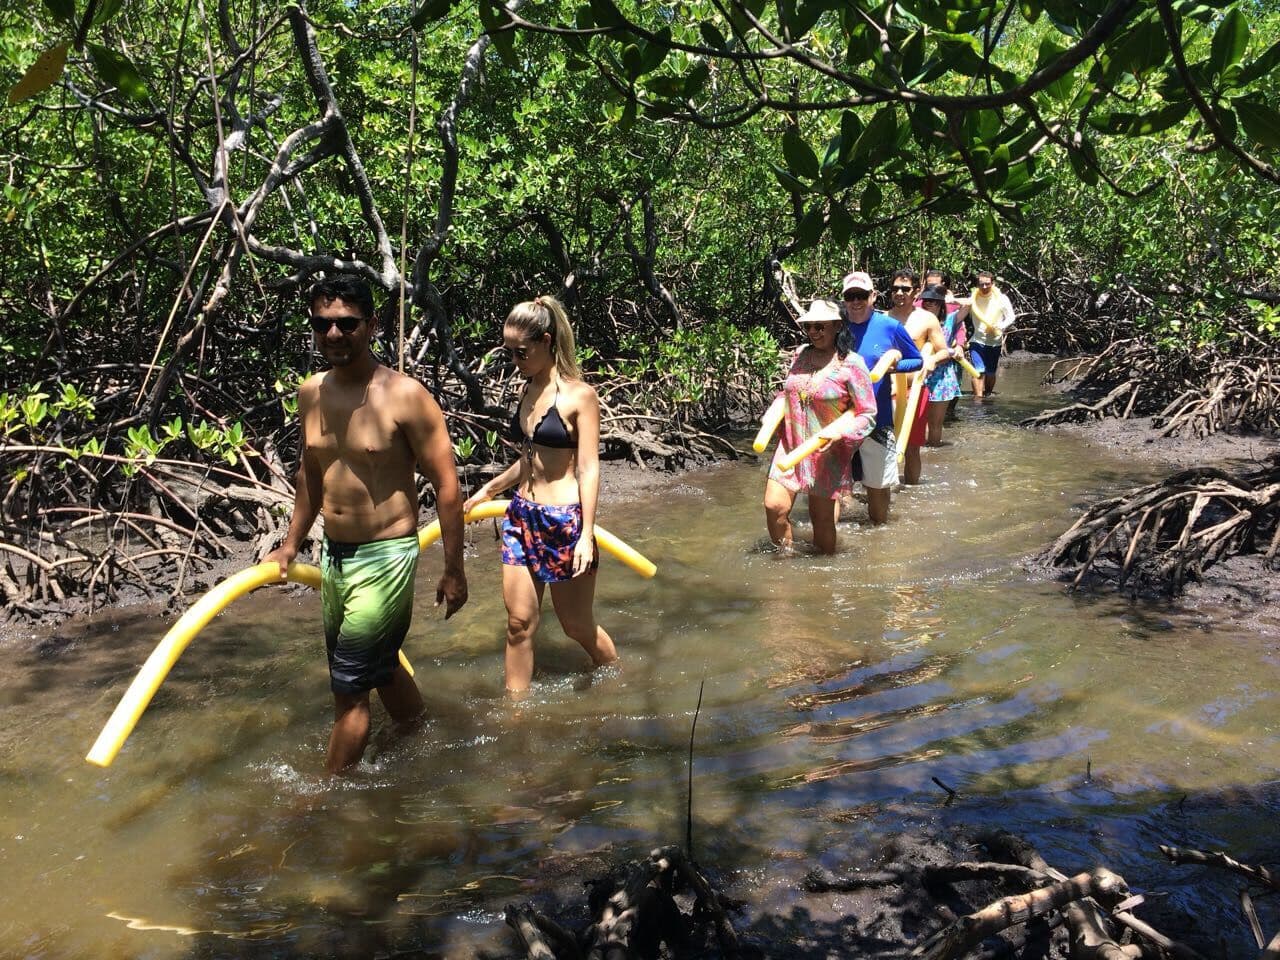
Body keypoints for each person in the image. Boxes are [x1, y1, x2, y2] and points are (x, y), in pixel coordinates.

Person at [264, 275, 468, 774]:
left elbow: (447, 485)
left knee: (349, 694)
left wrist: (454, 569)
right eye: (323, 324)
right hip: (333, 555)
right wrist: (290, 544)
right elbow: (310, 474)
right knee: (376, 666)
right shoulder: (310, 393)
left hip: (386, 556)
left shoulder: (405, 396)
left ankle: (322, 802)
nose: (334, 334)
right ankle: (421, 734)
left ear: (372, 325)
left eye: (347, 324)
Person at [462, 295, 617, 693]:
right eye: (509, 352)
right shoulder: (528, 387)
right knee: (518, 624)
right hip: (521, 518)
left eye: (521, 352)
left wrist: (586, 535)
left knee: (575, 627)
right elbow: (533, 459)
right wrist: (489, 489)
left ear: (547, 341)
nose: (515, 361)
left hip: (564, 522)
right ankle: (516, 718)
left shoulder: (580, 396)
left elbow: (587, 467)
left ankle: (616, 679)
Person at [763, 299, 876, 554]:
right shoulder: (801, 354)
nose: (813, 332)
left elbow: (867, 413)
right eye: (809, 327)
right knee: (774, 506)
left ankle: (824, 574)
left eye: (820, 326)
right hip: (791, 443)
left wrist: (839, 434)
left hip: (826, 448)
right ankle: (785, 562)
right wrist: (774, 409)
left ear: (837, 326)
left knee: (822, 520)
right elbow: (792, 392)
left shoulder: (852, 364)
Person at [839, 270, 923, 524]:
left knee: (878, 485)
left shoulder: (889, 326)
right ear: (844, 299)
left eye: (861, 295)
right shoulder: (835, 326)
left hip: (878, 418)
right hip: (839, 419)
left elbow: (917, 360)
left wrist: (892, 366)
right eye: (851, 296)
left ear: (873, 296)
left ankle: (878, 539)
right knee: (837, 487)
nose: (856, 301)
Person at [887, 269, 947, 485]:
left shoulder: (927, 319)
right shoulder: (883, 319)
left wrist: (931, 360)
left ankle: (912, 491)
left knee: (912, 448)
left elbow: (943, 350)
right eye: (895, 289)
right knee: (883, 445)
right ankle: (885, 492)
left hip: (915, 391)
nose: (899, 293)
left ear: (917, 291)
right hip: (887, 391)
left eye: (905, 289)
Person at [917, 284, 968, 448]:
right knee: (919, 419)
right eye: (926, 300)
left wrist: (952, 299)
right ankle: (920, 451)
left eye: (933, 301)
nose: (928, 304)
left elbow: (970, 304)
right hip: (920, 375)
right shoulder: (916, 320)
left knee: (935, 422)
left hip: (942, 378)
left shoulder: (950, 320)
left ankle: (933, 450)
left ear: (940, 304)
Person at [967, 270, 1017, 399]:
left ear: (992, 283)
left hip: (995, 340)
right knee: (978, 370)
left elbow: (1011, 317)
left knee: (990, 372)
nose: (984, 287)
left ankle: (987, 395)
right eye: (981, 284)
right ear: (977, 284)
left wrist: (999, 326)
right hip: (977, 340)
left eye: (987, 284)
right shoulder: (973, 297)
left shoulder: (1002, 298)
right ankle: (978, 399)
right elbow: (962, 307)